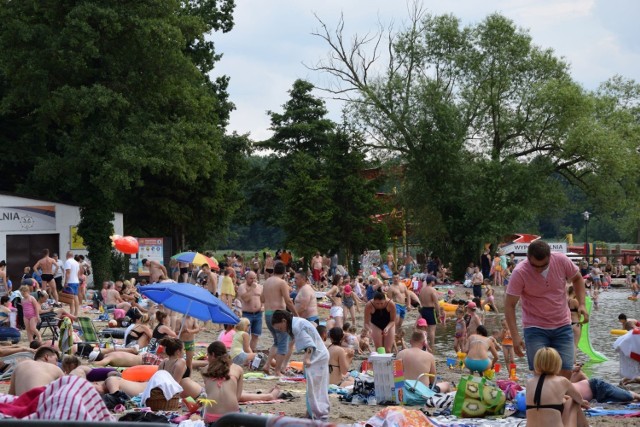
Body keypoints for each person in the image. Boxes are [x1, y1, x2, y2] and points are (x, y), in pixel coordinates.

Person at [505, 240, 588, 379]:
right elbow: (509, 305)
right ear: (528, 257)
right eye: (534, 266)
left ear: (550, 257)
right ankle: (543, 398)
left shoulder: (561, 260)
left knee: (566, 369)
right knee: (540, 372)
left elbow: (578, 279)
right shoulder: (520, 272)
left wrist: (582, 304)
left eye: (544, 265)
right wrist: (515, 336)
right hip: (534, 327)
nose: (539, 269)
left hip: (562, 324)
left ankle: (560, 399)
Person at [271, 310, 330, 421]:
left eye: (279, 328)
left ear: (284, 321)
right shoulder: (296, 322)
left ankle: (319, 413)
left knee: (315, 387)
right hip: (320, 355)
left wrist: (306, 359)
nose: (280, 330)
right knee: (314, 387)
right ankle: (311, 412)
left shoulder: (296, 326)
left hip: (317, 357)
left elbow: (309, 344)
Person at [526, 347, 589, 427]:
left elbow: (543, 400)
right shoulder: (562, 381)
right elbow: (579, 399)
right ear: (557, 363)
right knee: (573, 401)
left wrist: (562, 398)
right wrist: (583, 402)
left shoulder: (529, 382)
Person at [260, 261, 298, 376]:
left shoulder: (266, 282)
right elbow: (288, 300)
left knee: (277, 341)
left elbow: (262, 299)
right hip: (279, 314)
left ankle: (267, 365)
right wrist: (296, 314)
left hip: (267, 314)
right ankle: (277, 370)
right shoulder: (282, 283)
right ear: (284, 272)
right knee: (283, 343)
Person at [200, 341, 243, 423]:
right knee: (240, 410)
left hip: (211, 419)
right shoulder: (238, 369)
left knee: (203, 410)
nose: (207, 358)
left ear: (212, 355)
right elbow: (237, 397)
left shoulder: (204, 370)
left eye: (207, 355)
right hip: (232, 418)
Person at [570, 362, 640, 402]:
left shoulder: (562, 381)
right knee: (623, 401)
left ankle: (635, 392)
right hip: (596, 399)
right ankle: (621, 387)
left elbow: (579, 373)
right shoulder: (561, 386)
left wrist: (572, 368)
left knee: (627, 396)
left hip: (596, 386)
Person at [236, 271, 263, 352]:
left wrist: (263, 306)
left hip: (258, 313)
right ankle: (245, 352)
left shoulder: (260, 286)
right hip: (247, 314)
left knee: (256, 335)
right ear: (246, 278)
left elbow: (263, 299)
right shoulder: (242, 287)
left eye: (254, 278)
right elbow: (246, 299)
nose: (253, 280)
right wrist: (252, 289)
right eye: (251, 278)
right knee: (245, 334)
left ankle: (252, 352)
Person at [418, 275, 439, 351]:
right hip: (430, 310)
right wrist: (438, 313)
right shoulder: (432, 290)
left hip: (423, 310)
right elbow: (436, 303)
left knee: (423, 329)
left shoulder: (422, 290)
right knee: (432, 330)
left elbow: (420, 300)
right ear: (432, 281)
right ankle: (431, 347)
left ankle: (423, 345)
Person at [63, 250, 80, 317]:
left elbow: (68, 273)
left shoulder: (68, 262)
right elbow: (78, 273)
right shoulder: (76, 262)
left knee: (70, 298)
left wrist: (65, 282)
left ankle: (71, 312)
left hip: (70, 281)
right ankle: (76, 313)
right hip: (76, 281)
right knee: (76, 297)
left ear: (67, 256)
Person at [567, 286, 582, 351]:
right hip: (575, 324)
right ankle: (574, 361)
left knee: (568, 345)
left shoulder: (564, 300)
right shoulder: (574, 301)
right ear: (574, 291)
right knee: (575, 345)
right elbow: (580, 312)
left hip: (567, 325)